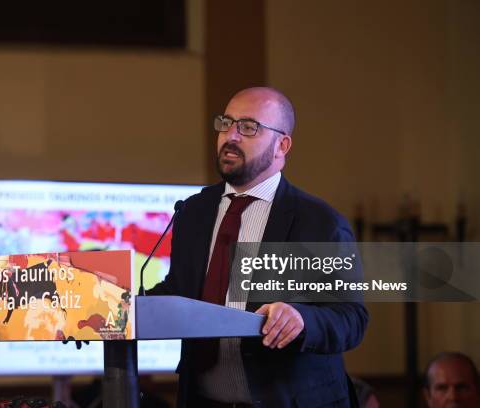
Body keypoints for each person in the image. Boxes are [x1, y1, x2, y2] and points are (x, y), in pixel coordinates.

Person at [148, 87, 369, 407]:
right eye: (226, 123)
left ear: (282, 145)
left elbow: (351, 317)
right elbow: (180, 291)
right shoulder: (194, 211)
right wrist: (116, 306)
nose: (231, 135)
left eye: (248, 127)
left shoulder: (319, 222)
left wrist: (302, 319)